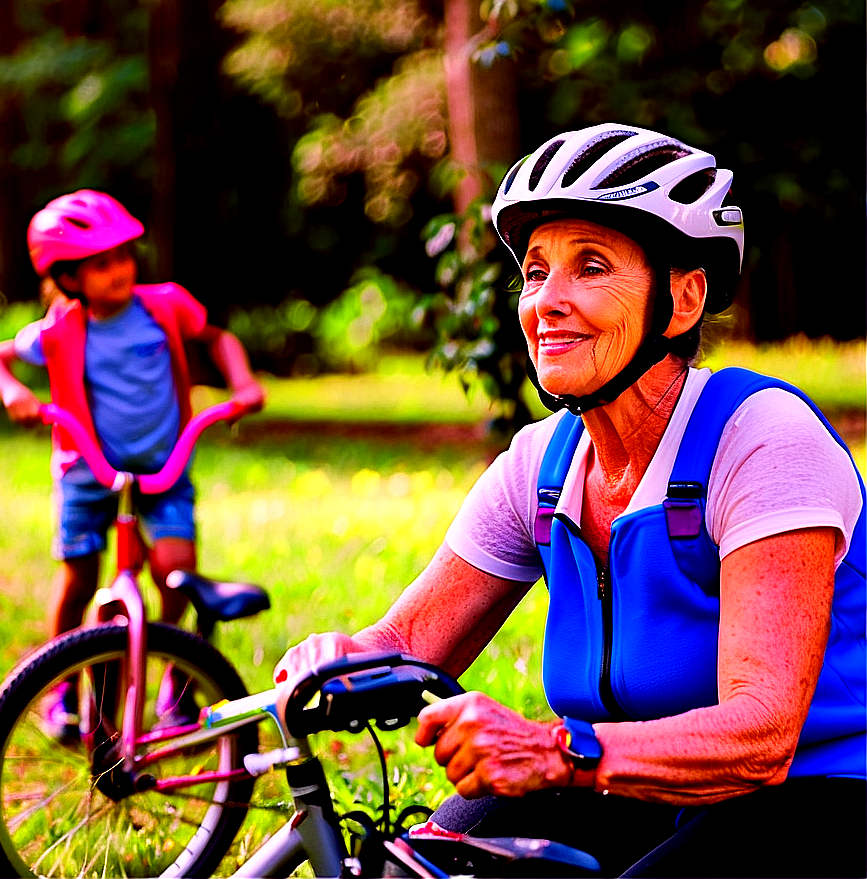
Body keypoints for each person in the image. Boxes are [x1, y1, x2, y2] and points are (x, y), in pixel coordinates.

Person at [272, 124, 866, 877]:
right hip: (626, 781)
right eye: (535, 271)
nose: (547, 301)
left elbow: (762, 736)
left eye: (590, 267)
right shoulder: (542, 463)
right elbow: (410, 641)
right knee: (414, 868)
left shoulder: (760, 438)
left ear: (682, 299)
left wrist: (557, 750)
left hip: (821, 796)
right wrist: (334, 661)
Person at [0, 189, 265, 737]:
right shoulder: (61, 328)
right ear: (68, 277)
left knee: (175, 572)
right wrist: (14, 391)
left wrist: (243, 381)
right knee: (79, 582)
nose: (119, 270)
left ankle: (176, 685)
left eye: (124, 256)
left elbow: (218, 338)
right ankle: (59, 688)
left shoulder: (165, 305)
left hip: (164, 468)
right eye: (100, 264)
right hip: (88, 472)